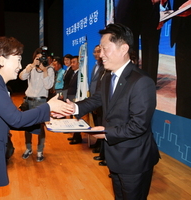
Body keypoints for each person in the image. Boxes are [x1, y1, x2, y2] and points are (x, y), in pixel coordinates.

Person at [0, 36, 73, 200]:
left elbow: (10, 120)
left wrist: (48, 114)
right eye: (17, 60)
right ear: (1, 60)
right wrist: (48, 107)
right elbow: (16, 119)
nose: (20, 66)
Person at [61, 24, 160, 199]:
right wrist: (73, 107)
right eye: (99, 50)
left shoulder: (142, 82)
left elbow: (139, 126)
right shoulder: (108, 77)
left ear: (124, 49)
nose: (101, 55)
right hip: (115, 156)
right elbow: (96, 99)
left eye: (105, 49)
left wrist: (105, 132)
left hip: (134, 160)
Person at [19, 47, 55, 162]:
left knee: (40, 128)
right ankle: (28, 148)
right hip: (29, 100)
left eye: (42, 57)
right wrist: (31, 66)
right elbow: (21, 77)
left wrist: (44, 71)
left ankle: (40, 151)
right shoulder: (31, 67)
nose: (40, 60)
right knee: (27, 126)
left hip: (41, 101)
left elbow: (48, 86)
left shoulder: (50, 69)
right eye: (37, 57)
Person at [114, 0, 164, 84]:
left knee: (150, 46)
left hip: (150, 7)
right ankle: (129, 82)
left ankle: (147, 83)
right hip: (128, 7)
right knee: (128, 45)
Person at [88, 45, 106, 166]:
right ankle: (99, 146)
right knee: (97, 124)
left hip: (101, 102)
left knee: (102, 126)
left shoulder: (105, 67)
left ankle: (103, 153)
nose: (96, 53)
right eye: (94, 51)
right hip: (94, 100)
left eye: (98, 51)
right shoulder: (95, 66)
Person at [65, 56, 82, 145]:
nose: (72, 64)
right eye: (71, 62)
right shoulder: (74, 73)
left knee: (76, 118)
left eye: (74, 62)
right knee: (73, 117)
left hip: (75, 97)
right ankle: (75, 135)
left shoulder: (80, 74)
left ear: (79, 63)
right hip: (70, 96)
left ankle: (77, 137)